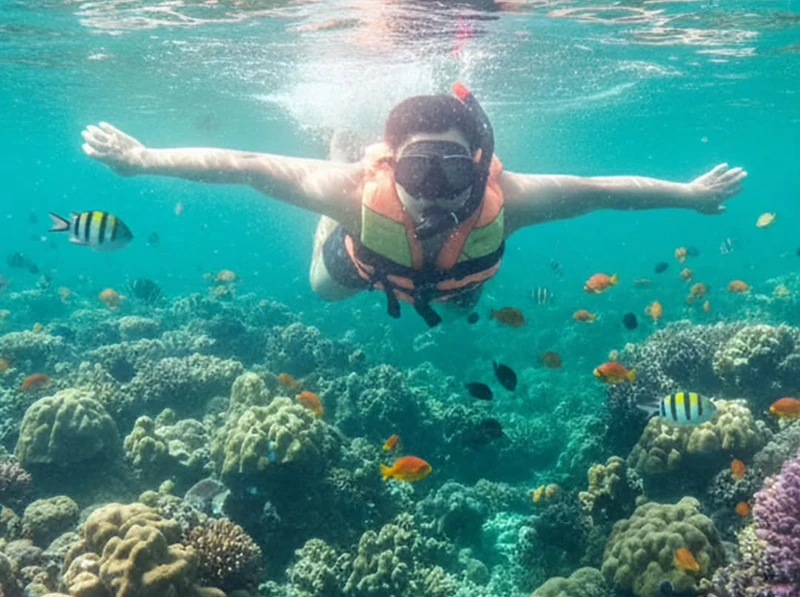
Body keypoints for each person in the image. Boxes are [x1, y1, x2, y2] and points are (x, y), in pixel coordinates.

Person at [81, 83, 746, 326]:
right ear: (389, 163)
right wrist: (141, 160)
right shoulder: (353, 192)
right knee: (320, 289)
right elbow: (246, 167)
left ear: (479, 163)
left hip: (459, 276)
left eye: (451, 166)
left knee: (465, 303)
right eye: (418, 166)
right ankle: (336, 188)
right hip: (366, 259)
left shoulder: (507, 199)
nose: (434, 185)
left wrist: (689, 197)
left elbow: (603, 193)